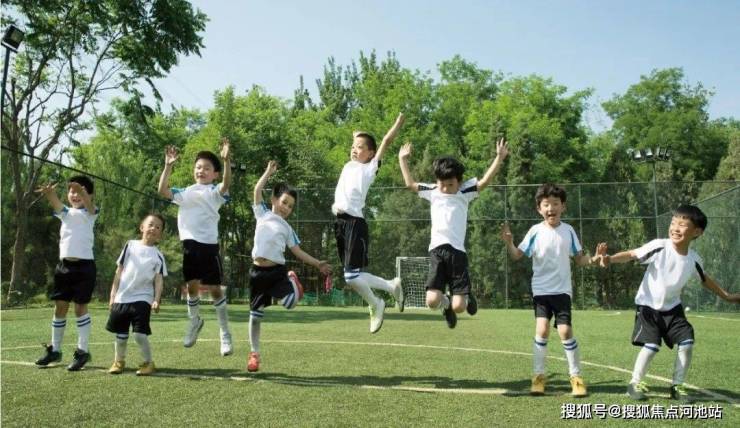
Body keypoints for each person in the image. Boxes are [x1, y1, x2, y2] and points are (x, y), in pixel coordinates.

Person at [598, 204, 740, 402]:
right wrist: (609, 259)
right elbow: (632, 254)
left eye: (682, 225)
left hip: (673, 310)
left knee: (687, 342)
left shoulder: (694, 260)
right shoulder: (660, 246)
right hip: (648, 307)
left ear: (697, 232)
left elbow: (705, 279)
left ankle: (677, 386)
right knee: (651, 345)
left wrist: (727, 296)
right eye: (673, 223)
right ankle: (635, 383)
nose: (675, 228)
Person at [501, 183, 602, 397]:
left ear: (563, 206)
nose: (551, 208)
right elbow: (517, 255)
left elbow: (580, 260)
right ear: (539, 209)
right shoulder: (535, 231)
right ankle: (538, 377)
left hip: (562, 291)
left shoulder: (569, 231)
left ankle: (576, 377)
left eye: (555, 204)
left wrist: (594, 258)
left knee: (565, 331)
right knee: (542, 329)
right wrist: (509, 243)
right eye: (546, 204)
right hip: (541, 291)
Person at [399, 138, 509, 329]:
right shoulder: (433, 191)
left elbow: (484, 181)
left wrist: (499, 158)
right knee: (432, 301)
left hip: (457, 253)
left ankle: (465, 297)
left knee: (460, 307)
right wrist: (402, 159)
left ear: (459, 182)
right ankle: (446, 305)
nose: (445, 188)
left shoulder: (464, 192)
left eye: (450, 184)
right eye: (442, 184)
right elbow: (410, 184)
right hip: (437, 251)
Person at [247, 161, 332, 372]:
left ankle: (292, 279)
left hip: (276, 272)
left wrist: (318, 263)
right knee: (255, 316)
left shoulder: (287, 228)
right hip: (257, 273)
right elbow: (257, 190)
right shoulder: (262, 213)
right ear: (274, 200)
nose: (286, 208)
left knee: (291, 303)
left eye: (290, 206)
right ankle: (254, 354)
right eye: (284, 202)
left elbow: (298, 251)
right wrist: (268, 172)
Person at [158, 139, 233, 356]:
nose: (201, 171)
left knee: (215, 290)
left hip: (209, 247)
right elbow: (162, 190)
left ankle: (225, 333)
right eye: (198, 167)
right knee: (191, 287)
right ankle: (194, 321)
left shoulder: (216, 192)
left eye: (207, 168)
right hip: (189, 245)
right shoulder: (185, 192)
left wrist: (226, 160)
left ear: (215, 174)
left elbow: (226, 184)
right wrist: (168, 166)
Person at [332, 113, 405, 334]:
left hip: (355, 222)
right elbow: (357, 140)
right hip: (340, 223)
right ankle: (391, 286)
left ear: (371, 154)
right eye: (353, 147)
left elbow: (386, 141)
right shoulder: (349, 165)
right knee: (352, 275)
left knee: (351, 277)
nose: (355, 149)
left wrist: (397, 123)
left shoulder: (369, 168)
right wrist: (357, 136)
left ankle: (376, 303)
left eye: (360, 147)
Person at [34, 176, 98, 371]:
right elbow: (56, 203)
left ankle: (82, 351)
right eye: (72, 192)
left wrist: (82, 191)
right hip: (64, 268)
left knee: (80, 308)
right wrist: (50, 193)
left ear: (90, 195)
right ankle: (55, 350)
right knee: (60, 307)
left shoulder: (91, 213)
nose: (75, 195)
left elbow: (89, 206)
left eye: (80, 192)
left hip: (85, 267)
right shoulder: (65, 213)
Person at [106, 214, 167, 376]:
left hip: (143, 298)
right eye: (151, 224)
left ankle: (148, 363)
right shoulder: (130, 245)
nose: (153, 228)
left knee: (140, 334)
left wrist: (156, 300)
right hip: (122, 297)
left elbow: (159, 280)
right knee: (121, 335)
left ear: (160, 234)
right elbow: (119, 271)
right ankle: (119, 361)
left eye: (158, 227)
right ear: (142, 227)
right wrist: (112, 296)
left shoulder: (158, 256)